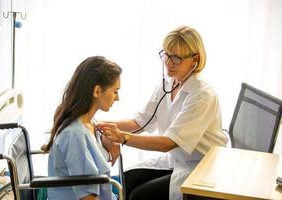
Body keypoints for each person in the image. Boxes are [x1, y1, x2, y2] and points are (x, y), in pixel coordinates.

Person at [97, 25, 229, 200]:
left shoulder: (202, 95)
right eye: (166, 55)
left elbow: (168, 143)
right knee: (127, 180)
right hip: (178, 161)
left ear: (194, 59)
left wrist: (122, 137)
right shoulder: (168, 84)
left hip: (202, 167)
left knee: (139, 196)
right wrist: (97, 125)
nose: (168, 63)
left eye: (176, 58)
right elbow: (139, 122)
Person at [43, 56, 122, 200]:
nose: (117, 98)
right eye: (115, 91)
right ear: (97, 91)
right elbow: (88, 197)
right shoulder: (75, 135)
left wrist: (101, 140)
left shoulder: (89, 125)